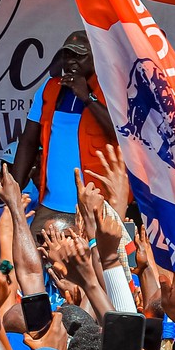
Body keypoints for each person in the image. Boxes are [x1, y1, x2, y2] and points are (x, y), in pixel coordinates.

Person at [13, 32, 114, 233]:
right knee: (33, 262)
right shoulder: (49, 88)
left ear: (97, 57)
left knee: (97, 264)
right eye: (68, 55)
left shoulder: (111, 89)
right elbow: (28, 141)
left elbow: (121, 136)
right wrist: (14, 187)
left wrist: (87, 97)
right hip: (51, 207)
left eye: (80, 56)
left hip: (97, 210)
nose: (71, 61)